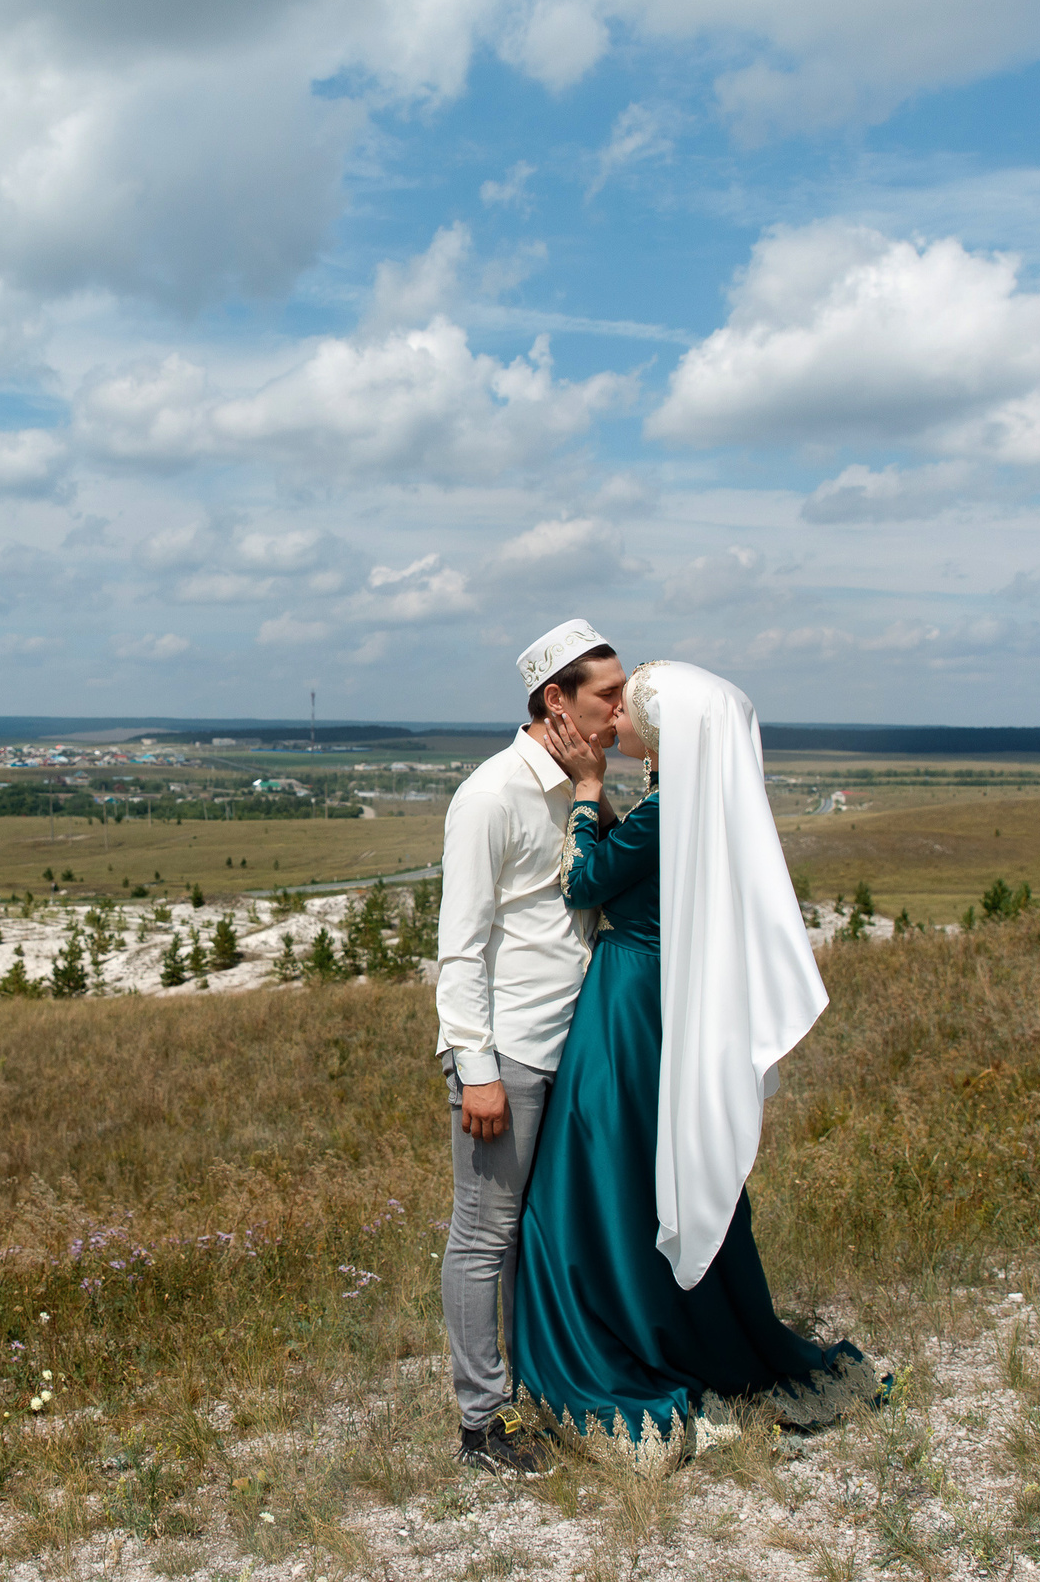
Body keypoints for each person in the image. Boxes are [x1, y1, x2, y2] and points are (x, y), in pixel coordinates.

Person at [514, 660, 876, 1470]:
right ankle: (692, 1317)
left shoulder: (666, 810)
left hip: (628, 1004)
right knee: (654, 1162)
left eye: (631, 708)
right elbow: (640, 860)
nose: (618, 717)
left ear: (663, 733)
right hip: (669, 999)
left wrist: (585, 790)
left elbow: (584, 883)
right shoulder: (699, 807)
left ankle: (619, 1330)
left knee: (592, 1173)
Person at [435, 617, 627, 1475]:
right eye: (607, 697)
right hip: (506, 1053)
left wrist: (594, 787)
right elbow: (460, 947)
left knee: (539, 1233)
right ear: (557, 699)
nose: (620, 712)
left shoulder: (581, 787)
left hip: (568, 1047)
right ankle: (481, 1424)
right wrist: (476, 1071)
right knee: (485, 1236)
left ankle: (544, 1389)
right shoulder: (491, 795)